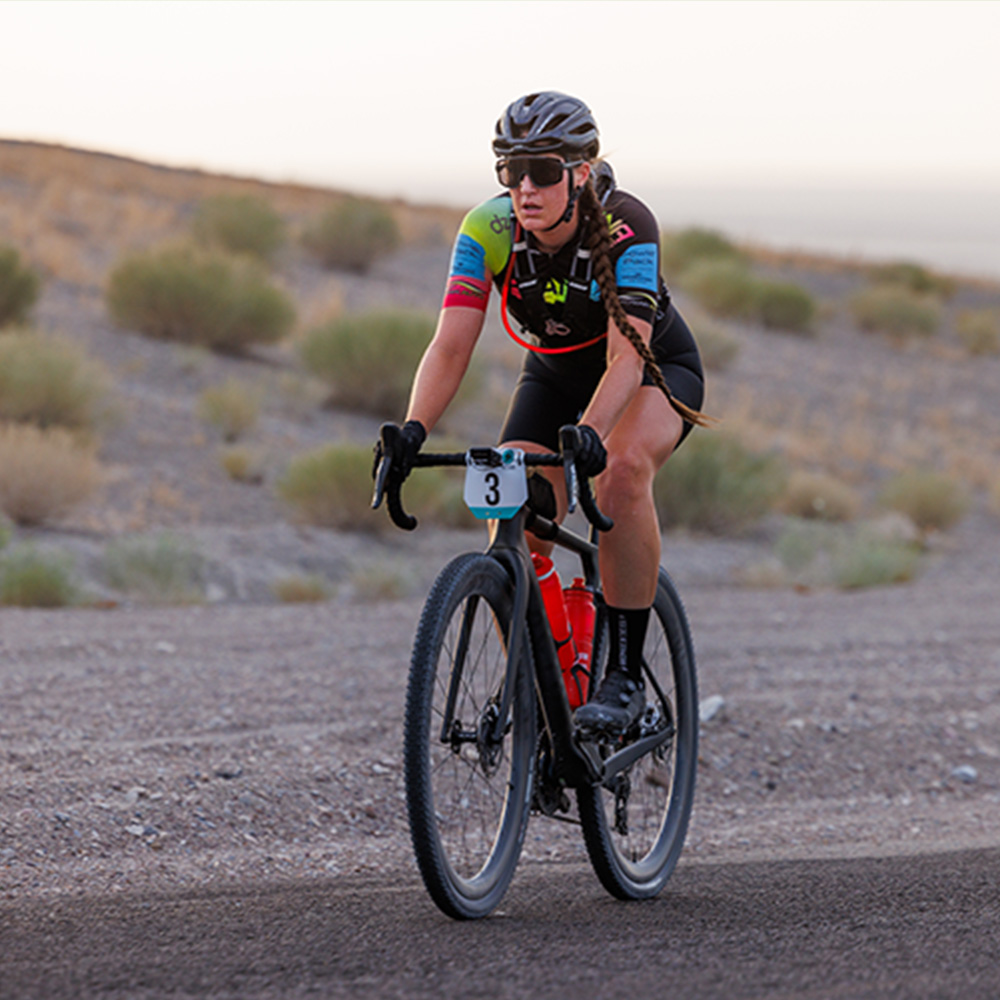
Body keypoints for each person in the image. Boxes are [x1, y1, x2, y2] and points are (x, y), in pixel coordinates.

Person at [378, 91, 709, 736]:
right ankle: (547, 678)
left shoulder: (627, 225)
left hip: (650, 371)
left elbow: (626, 359)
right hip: (554, 380)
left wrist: (591, 433)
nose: (526, 188)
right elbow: (450, 344)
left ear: (581, 171)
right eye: (510, 170)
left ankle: (622, 677)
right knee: (519, 510)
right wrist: (412, 431)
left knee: (620, 470)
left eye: (544, 170)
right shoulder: (485, 230)